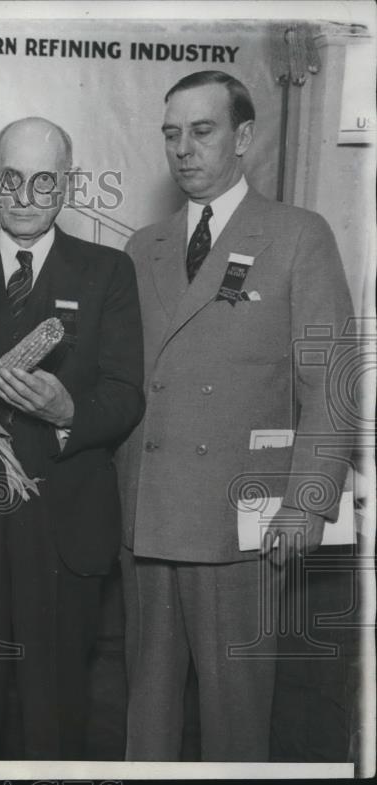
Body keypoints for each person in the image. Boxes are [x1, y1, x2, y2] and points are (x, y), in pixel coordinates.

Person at [118, 70, 355, 761]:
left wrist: (308, 503)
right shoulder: (144, 245)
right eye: (171, 134)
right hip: (148, 518)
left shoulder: (297, 236)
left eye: (202, 130)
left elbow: (332, 382)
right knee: (147, 722)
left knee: (236, 729)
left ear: (244, 136)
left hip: (242, 525)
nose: (183, 149)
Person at [0, 117, 145, 759]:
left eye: (43, 180)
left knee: (56, 720)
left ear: (67, 186)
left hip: (62, 530)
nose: (24, 194)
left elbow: (126, 394)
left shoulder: (108, 272)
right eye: (11, 178)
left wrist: (69, 408)